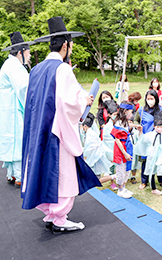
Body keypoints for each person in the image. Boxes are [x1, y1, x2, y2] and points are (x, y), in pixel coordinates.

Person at [21, 16, 101, 234]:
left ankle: (50, 212)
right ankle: (59, 216)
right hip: (57, 131)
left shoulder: (36, 69)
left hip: (40, 130)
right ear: (66, 45)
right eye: (71, 44)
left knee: (45, 169)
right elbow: (68, 103)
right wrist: (84, 101)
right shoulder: (63, 69)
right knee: (62, 173)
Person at [0, 31, 33, 187]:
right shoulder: (16, 67)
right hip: (14, 108)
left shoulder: (8, 64)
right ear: (20, 52)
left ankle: (11, 173)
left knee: (10, 140)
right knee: (18, 140)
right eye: (28, 53)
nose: (29, 57)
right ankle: (19, 175)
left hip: (7, 107)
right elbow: (24, 89)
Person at [134, 90, 162, 190]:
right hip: (146, 139)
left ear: (156, 99)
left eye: (152, 99)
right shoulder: (141, 110)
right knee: (145, 160)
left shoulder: (161, 110)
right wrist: (138, 126)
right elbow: (136, 120)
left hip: (158, 138)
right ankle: (144, 181)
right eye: (148, 99)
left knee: (160, 160)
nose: (150, 101)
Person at [135, 114, 162, 195]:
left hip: (161, 155)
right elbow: (142, 140)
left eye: (161, 127)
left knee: (161, 169)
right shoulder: (150, 135)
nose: (159, 129)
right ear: (154, 126)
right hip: (152, 156)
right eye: (157, 127)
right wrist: (141, 132)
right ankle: (153, 188)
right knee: (151, 170)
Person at [111, 101, 135, 198]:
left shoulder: (124, 121)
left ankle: (124, 187)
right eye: (130, 111)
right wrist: (125, 153)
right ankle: (120, 189)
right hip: (121, 150)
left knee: (127, 169)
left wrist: (135, 126)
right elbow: (117, 139)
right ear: (125, 111)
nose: (131, 114)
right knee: (121, 169)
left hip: (127, 147)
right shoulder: (119, 122)